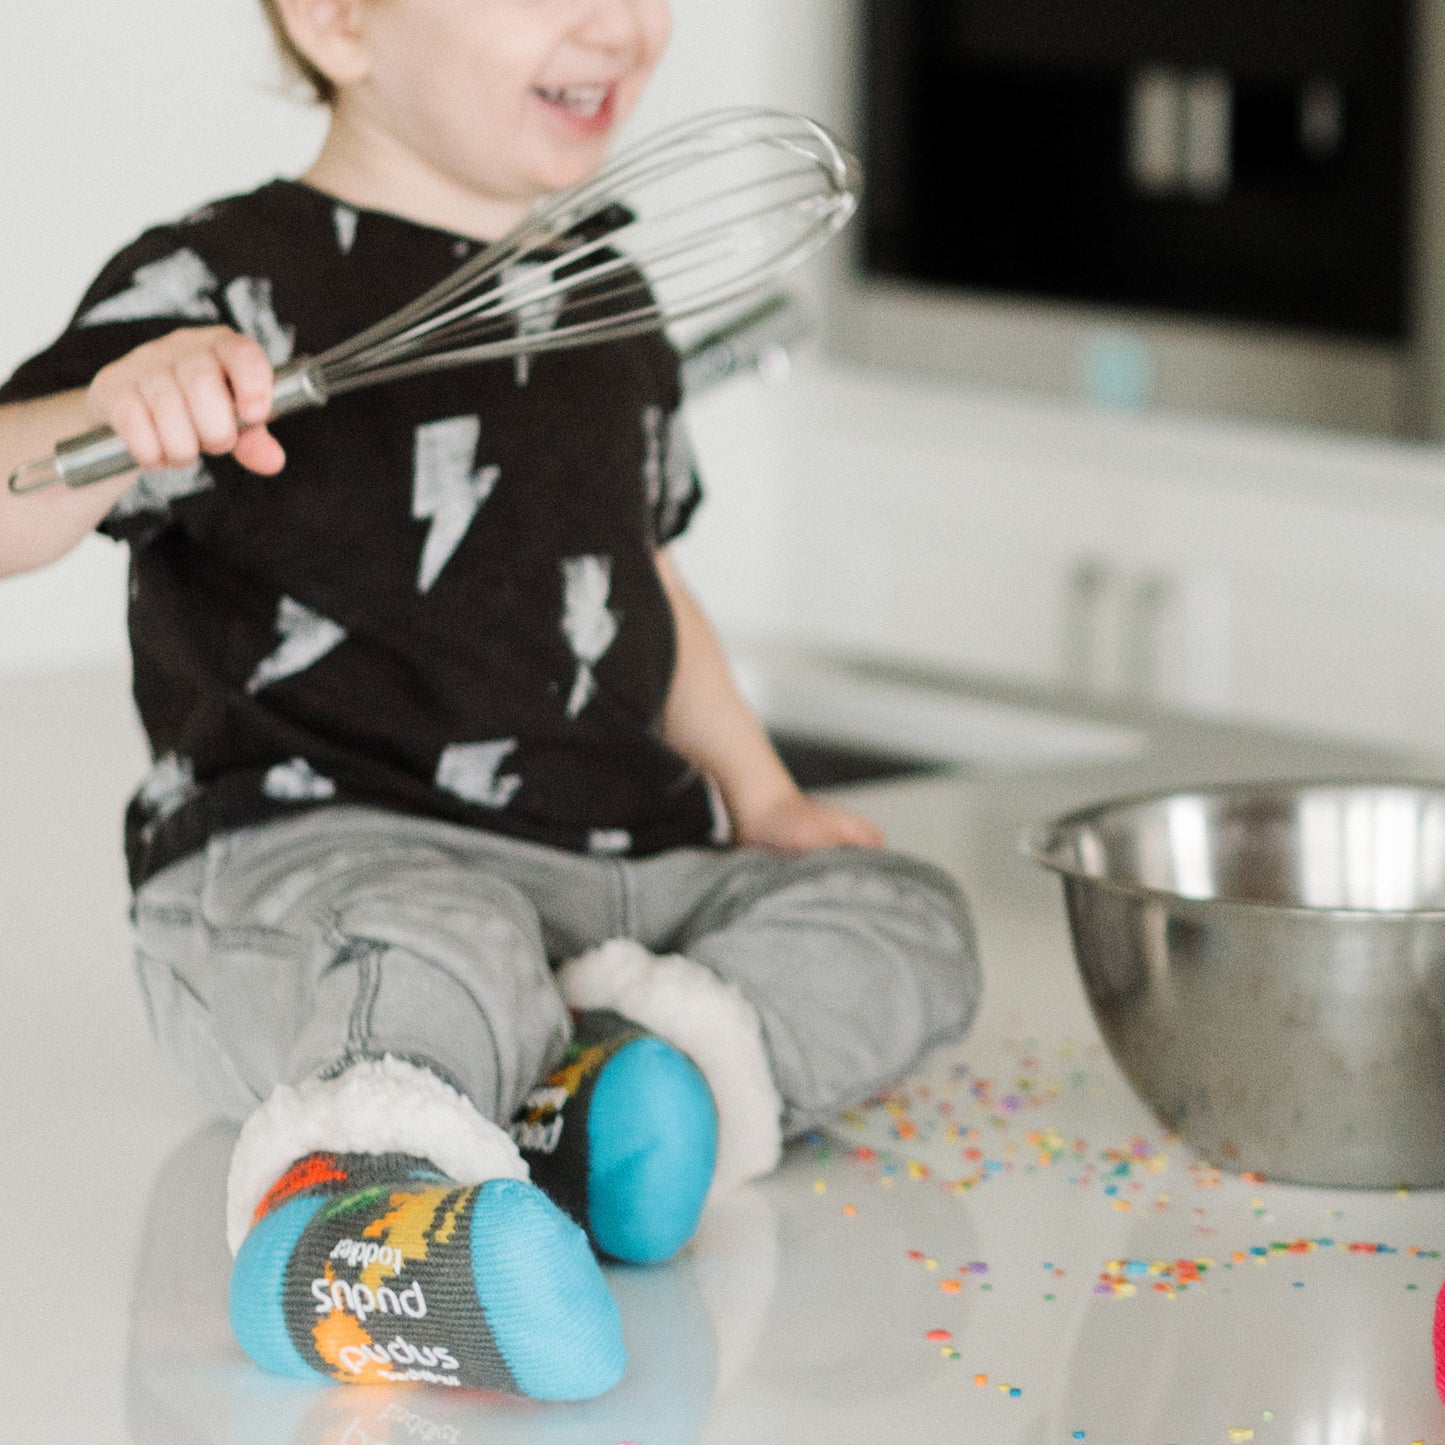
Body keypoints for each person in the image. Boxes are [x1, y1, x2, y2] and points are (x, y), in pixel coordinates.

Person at [0, 0, 979, 1403]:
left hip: (606, 887)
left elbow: (639, 576)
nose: (622, 23)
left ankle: (608, 1096)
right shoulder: (215, 284)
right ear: (340, 20)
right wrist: (113, 413)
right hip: (317, 864)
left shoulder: (606, 288)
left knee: (912, 924)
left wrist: (762, 799)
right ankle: (352, 1237)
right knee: (438, 939)